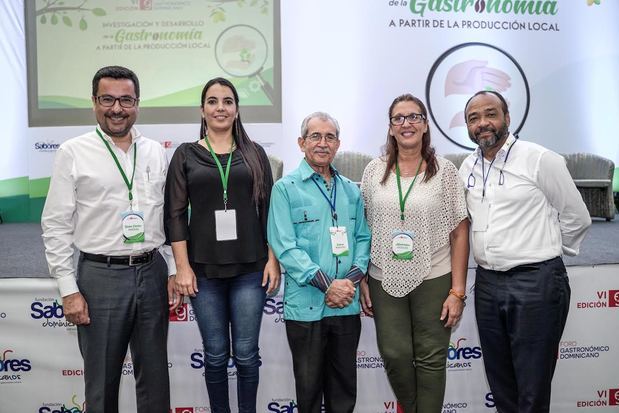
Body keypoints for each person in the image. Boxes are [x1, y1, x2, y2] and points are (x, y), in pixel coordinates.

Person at [41, 65, 178, 413]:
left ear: (137, 103)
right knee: (101, 383)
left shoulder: (154, 151)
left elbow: (165, 216)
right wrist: (68, 288)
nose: (117, 108)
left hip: (152, 273)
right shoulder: (73, 151)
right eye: (108, 99)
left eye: (125, 100)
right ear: (94, 102)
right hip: (99, 277)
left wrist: (175, 268)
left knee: (156, 381)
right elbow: (55, 224)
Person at [460, 90, 591, 413]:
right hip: (488, 285)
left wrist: (544, 250)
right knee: (501, 383)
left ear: (507, 118)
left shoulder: (540, 158)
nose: (482, 123)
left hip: (537, 283)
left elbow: (577, 217)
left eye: (490, 114)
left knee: (532, 389)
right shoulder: (468, 166)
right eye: (473, 118)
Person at [164, 77, 280, 413]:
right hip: (204, 272)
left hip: (250, 268)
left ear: (236, 109)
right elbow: (173, 215)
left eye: (227, 101)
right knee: (214, 354)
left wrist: (273, 259)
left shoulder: (254, 153)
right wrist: (182, 267)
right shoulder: (186, 155)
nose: (220, 108)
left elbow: (268, 211)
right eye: (212, 101)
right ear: (202, 109)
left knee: (245, 353)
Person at [359, 94, 469, 413]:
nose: (406, 123)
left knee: (432, 359)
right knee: (394, 355)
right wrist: (363, 276)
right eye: (398, 118)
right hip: (382, 276)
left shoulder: (444, 171)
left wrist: (457, 291)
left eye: (414, 117)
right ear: (391, 128)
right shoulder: (373, 170)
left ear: (425, 125)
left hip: (435, 275)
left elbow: (460, 231)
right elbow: (363, 227)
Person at [267, 112, 371, 413]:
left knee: (343, 393)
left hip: (346, 304)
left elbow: (364, 238)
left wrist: (348, 282)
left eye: (329, 137)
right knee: (309, 393)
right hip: (307, 307)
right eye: (315, 136)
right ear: (302, 143)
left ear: (338, 144)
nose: (322, 143)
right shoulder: (285, 189)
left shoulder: (352, 190)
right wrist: (328, 285)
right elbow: (284, 246)